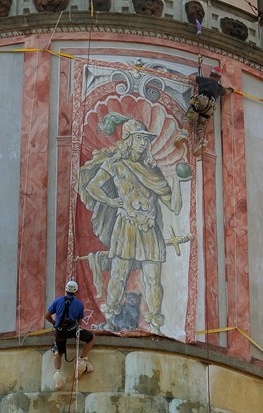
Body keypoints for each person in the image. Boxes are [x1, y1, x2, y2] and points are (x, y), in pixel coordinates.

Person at [78, 116, 186, 334]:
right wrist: (110, 201)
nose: (144, 143)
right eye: (139, 139)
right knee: (119, 273)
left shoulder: (152, 170)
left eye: (145, 140)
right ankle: (110, 320)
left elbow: (173, 205)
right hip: (126, 225)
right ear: (128, 140)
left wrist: (176, 180)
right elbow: (92, 187)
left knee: (152, 278)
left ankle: (156, 324)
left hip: (149, 228)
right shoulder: (115, 164)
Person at [45, 280, 95, 390]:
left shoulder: (57, 301)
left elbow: (47, 316)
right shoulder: (79, 304)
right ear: (76, 292)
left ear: (66, 290)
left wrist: (54, 323)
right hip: (73, 330)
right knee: (91, 338)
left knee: (59, 353)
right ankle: (81, 360)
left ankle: (57, 374)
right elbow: (79, 321)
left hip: (60, 330)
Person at [175, 66, 234, 156]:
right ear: (219, 78)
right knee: (201, 125)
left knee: (189, 117)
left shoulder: (204, 80)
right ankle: (202, 141)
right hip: (210, 106)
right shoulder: (219, 88)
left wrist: (198, 77)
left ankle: (183, 134)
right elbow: (228, 92)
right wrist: (231, 89)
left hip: (202, 99)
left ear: (211, 74)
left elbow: (190, 77)